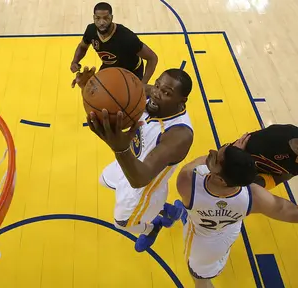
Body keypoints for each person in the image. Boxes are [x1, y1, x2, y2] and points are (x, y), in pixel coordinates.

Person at [73, 65, 194, 249]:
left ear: (182, 101)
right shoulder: (143, 93)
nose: (156, 93)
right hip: (128, 161)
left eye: (166, 93)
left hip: (144, 186)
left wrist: (120, 149)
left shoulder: (179, 134)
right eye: (157, 85)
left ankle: (152, 227)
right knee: (104, 180)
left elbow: (140, 179)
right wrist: (91, 87)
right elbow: (112, 99)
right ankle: (168, 210)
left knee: (121, 223)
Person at [167, 144, 298, 288]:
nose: (212, 153)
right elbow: (284, 209)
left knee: (199, 279)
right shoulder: (253, 196)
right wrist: (236, 160)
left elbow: (194, 164)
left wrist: (225, 157)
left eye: (216, 158)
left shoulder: (187, 182)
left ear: (221, 180)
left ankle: (187, 213)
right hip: (228, 232)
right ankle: (187, 213)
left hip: (202, 243)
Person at [70, 2, 158, 85]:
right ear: (93, 18)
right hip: (110, 68)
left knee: (128, 100)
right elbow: (82, 47)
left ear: (111, 17)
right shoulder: (91, 30)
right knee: (95, 92)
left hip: (131, 71)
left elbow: (152, 58)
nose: (101, 22)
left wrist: (143, 84)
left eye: (106, 18)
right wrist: (75, 62)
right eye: (98, 18)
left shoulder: (126, 37)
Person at [233, 124, 298, 190]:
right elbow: (232, 151)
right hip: (241, 158)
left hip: (267, 174)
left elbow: (280, 177)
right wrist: (234, 153)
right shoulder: (277, 136)